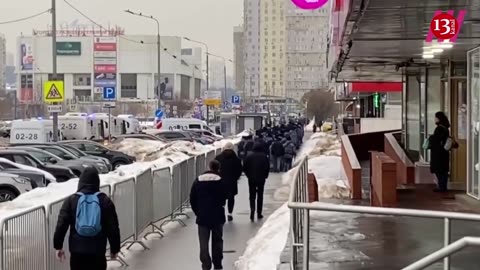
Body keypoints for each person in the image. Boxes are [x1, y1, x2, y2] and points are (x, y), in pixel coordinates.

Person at [53, 167, 120, 270]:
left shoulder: (71, 201)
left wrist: (58, 246)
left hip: (77, 252)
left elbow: (61, 225)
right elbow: (113, 227)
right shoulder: (105, 201)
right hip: (97, 252)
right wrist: (114, 249)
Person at [190, 160, 226, 270]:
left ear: (209, 167)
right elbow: (225, 197)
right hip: (217, 216)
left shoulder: (198, 181)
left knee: (203, 243)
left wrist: (198, 212)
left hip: (202, 217)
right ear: (218, 169)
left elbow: (192, 199)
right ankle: (217, 263)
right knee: (217, 241)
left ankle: (206, 264)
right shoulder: (221, 181)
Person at [215, 142, 243, 222]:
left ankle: (221, 212)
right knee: (231, 198)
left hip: (220, 181)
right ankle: (230, 213)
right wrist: (236, 178)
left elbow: (215, 168)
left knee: (221, 198)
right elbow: (239, 170)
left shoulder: (218, 158)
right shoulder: (236, 159)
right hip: (232, 182)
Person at [427, 111, 455, 192]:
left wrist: (431, 138)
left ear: (439, 118)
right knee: (443, 170)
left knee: (439, 170)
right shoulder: (445, 128)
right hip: (444, 152)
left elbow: (437, 140)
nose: (434, 119)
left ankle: (442, 187)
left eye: (435, 117)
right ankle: (442, 186)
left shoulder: (439, 128)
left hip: (438, 153)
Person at [243, 143, 270, 221]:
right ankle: (259, 213)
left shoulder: (249, 156)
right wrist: (265, 175)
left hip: (251, 178)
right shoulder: (264, 156)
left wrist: (248, 175)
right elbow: (267, 167)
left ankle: (252, 209)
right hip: (261, 178)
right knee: (260, 196)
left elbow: (244, 167)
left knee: (252, 195)